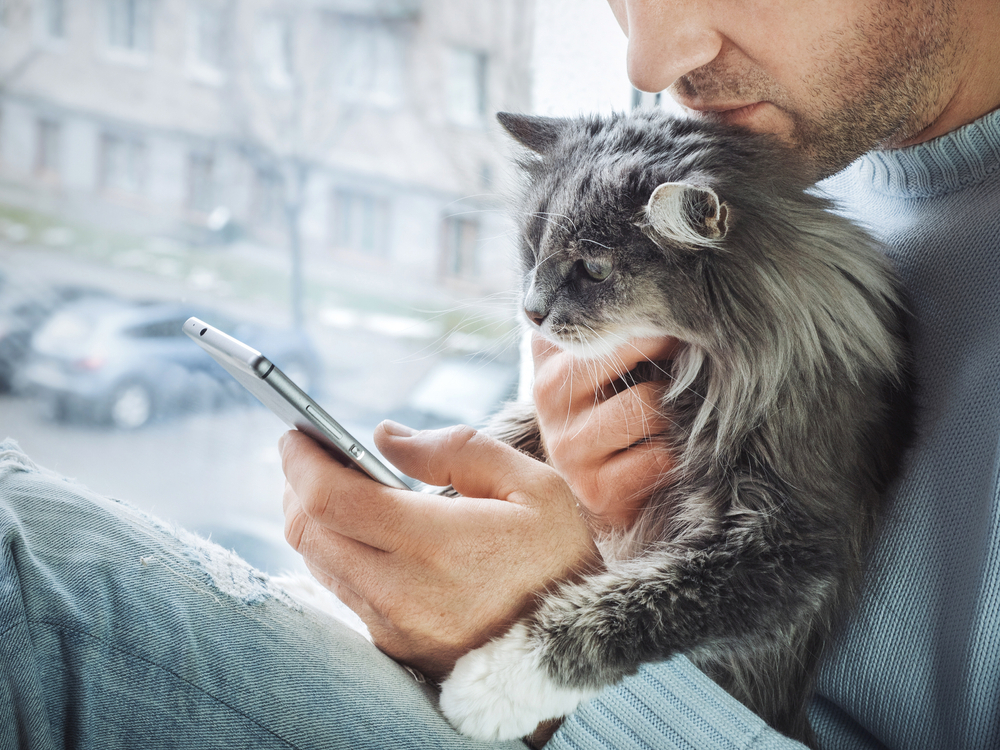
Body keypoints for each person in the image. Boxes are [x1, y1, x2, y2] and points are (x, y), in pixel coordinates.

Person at [2, 1, 998, 748]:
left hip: (588, 704)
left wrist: (562, 655)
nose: (652, 58)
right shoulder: (777, 122)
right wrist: (570, 479)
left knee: (37, 579)